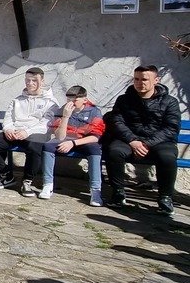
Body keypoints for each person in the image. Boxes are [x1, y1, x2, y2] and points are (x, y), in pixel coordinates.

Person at [104, 65, 180, 215]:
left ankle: (165, 198)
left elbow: (171, 128)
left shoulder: (170, 101)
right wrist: (132, 140)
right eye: (136, 79)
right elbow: (117, 122)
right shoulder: (124, 100)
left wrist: (146, 144)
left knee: (167, 157)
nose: (140, 83)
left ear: (156, 80)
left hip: (159, 142)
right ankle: (118, 193)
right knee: (114, 151)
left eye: (144, 79)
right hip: (130, 139)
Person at [0, 67, 58, 196]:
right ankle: (6, 175)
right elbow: (8, 118)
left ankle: (27, 181)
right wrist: (8, 129)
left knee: (34, 149)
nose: (30, 83)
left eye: (34, 80)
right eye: (27, 80)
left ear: (42, 81)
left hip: (34, 135)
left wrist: (27, 132)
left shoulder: (50, 102)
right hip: (15, 133)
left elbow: (46, 124)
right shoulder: (17, 100)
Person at [37, 86, 106, 205]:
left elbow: (95, 137)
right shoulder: (64, 110)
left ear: (84, 99)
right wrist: (65, 117)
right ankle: (48, 184)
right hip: (66, 139)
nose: (71, 103)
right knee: (48, 146)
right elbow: (60, 137)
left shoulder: (94, 111)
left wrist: (73, 143)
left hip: (84, 141)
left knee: (95, 149)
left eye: (75, 100)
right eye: (69, 100)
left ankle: (95, 190)